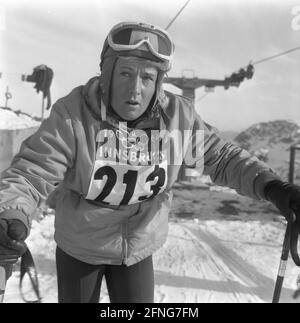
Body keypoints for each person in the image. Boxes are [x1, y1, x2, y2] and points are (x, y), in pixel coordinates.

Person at [0, 21, 299, 303]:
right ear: (107, 75)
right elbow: (33, 170)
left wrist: (272, 187)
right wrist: (12, 214)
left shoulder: (176, 120)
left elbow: (221, 158)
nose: (135, 90)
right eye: (126, 74)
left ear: (158, 83)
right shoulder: (73, 115)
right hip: (80, 247)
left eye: (147, 77)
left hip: (138, 248)